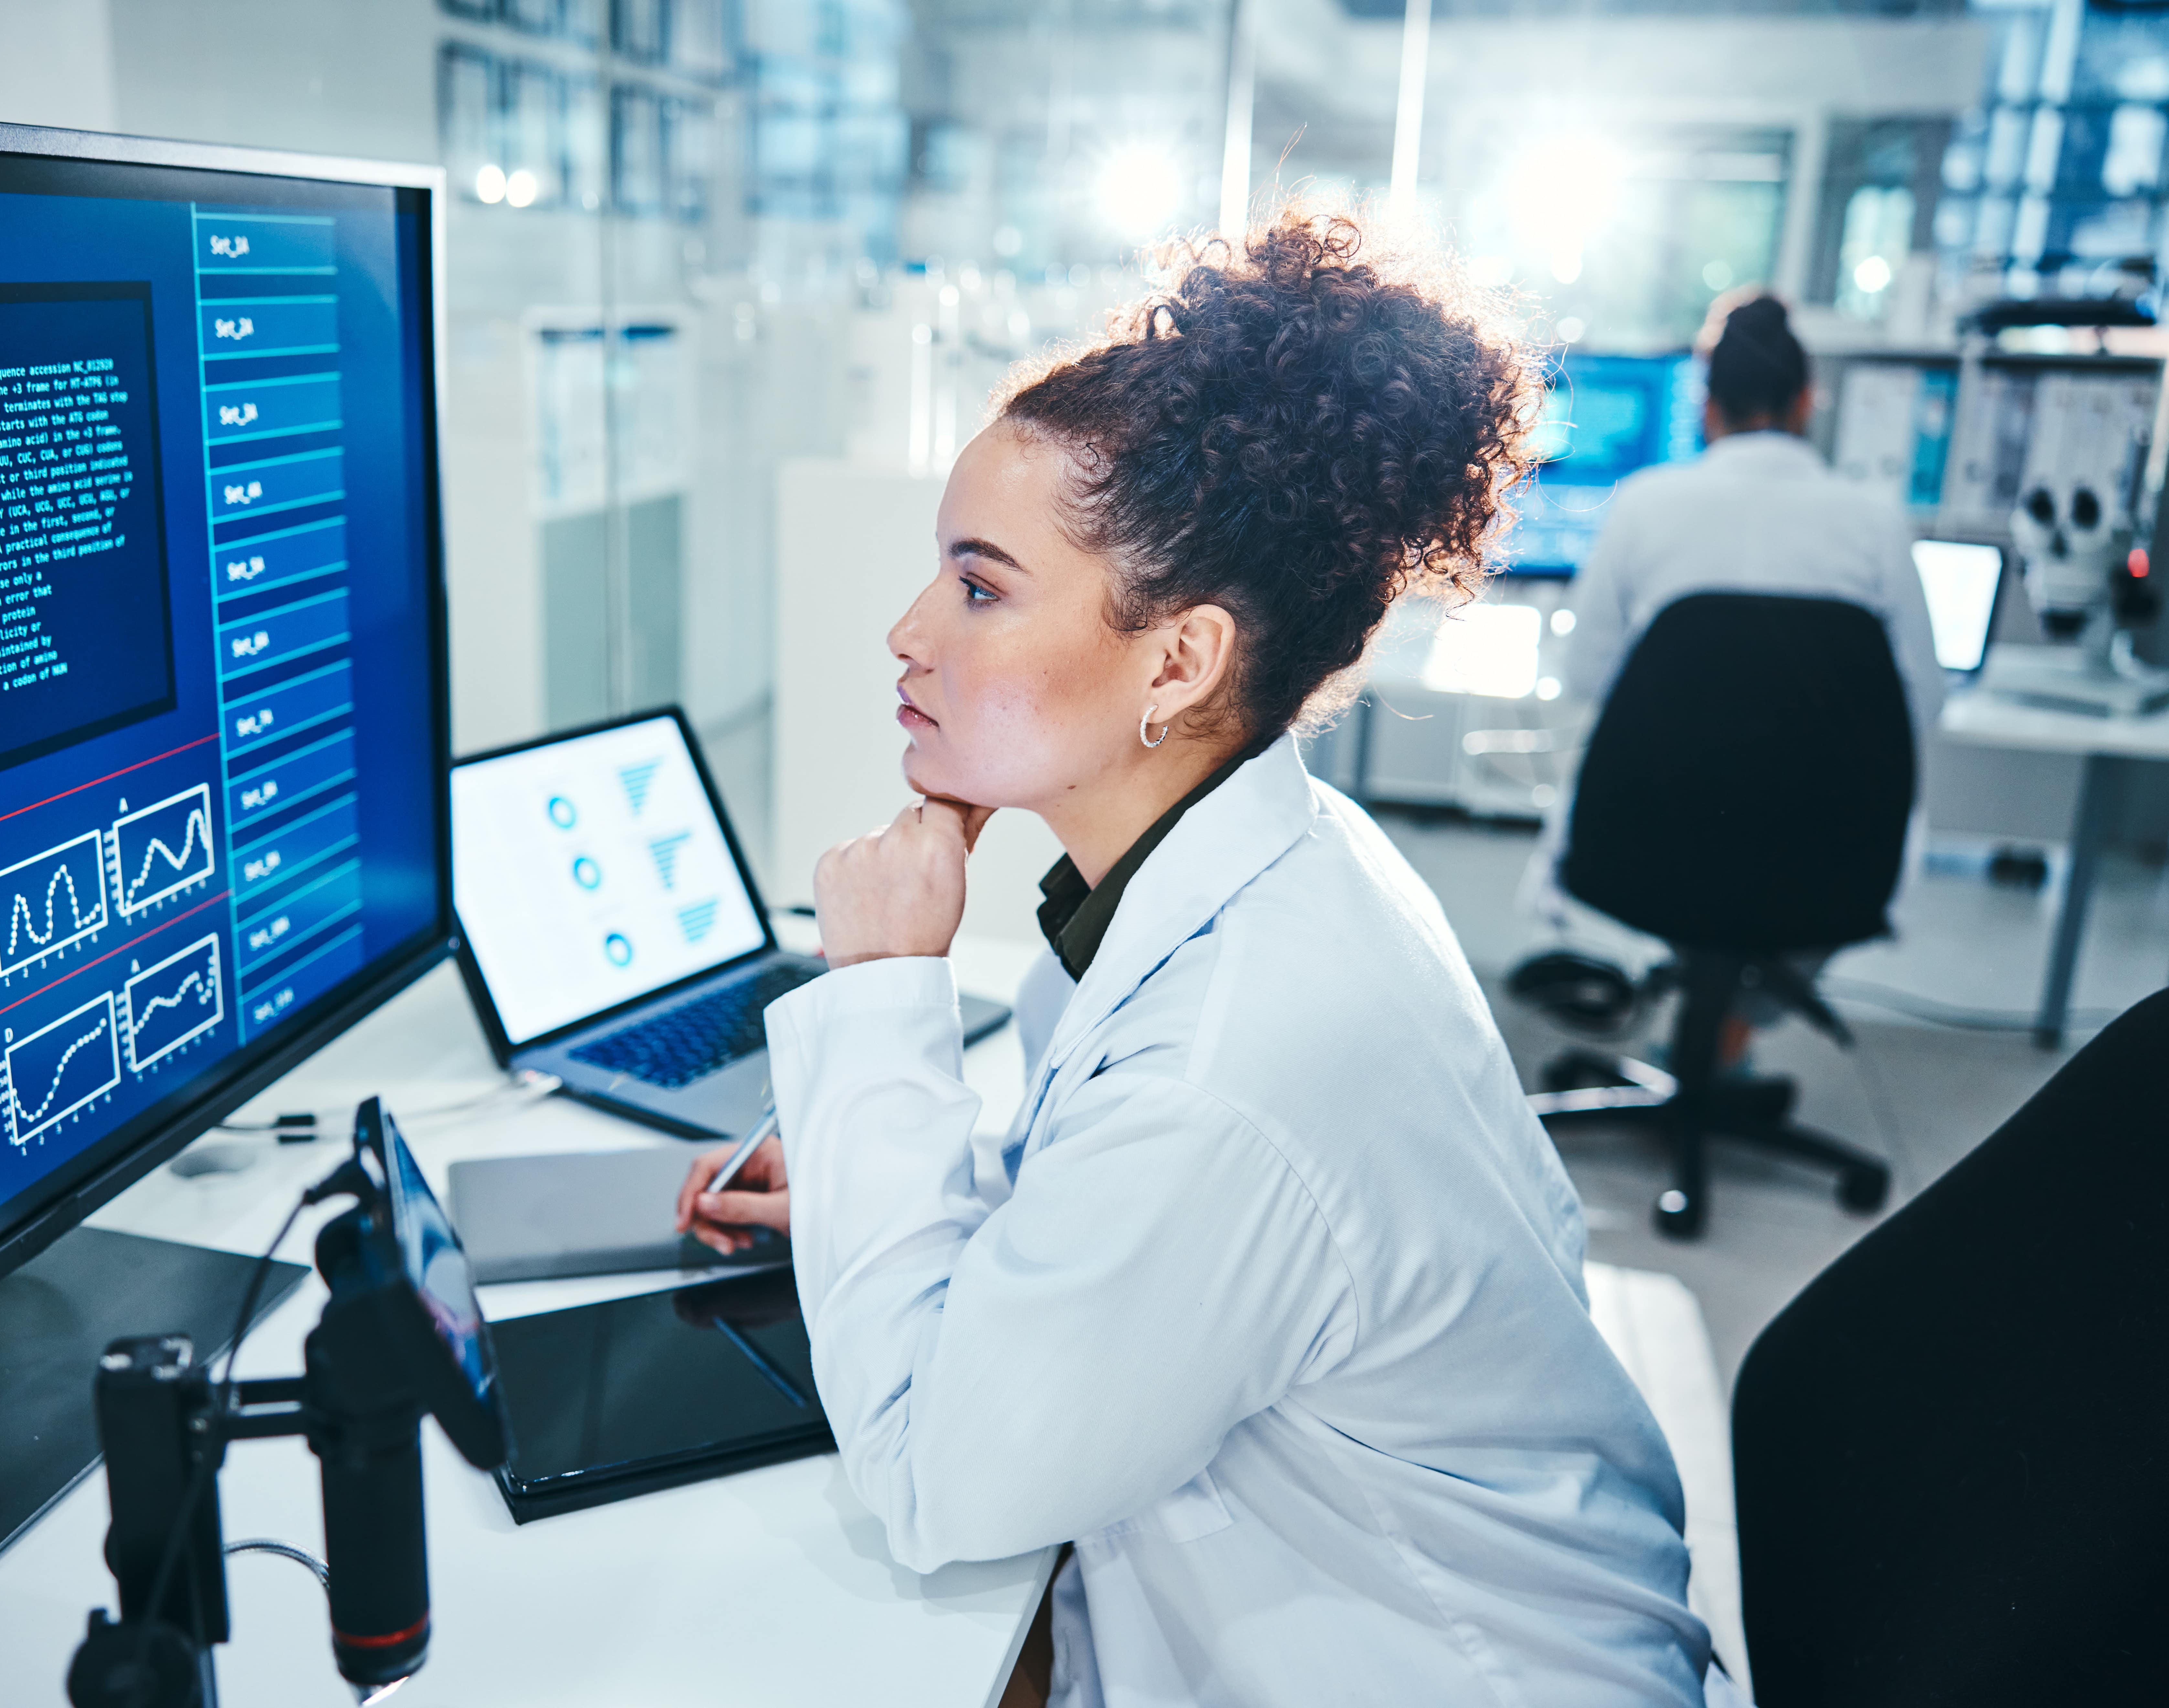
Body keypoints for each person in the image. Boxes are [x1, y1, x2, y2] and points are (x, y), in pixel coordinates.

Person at [678, 206, 1715, 1706]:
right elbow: (1099, 1213)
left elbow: (936, 1485)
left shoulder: (1239, 1053)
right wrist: (861, 1185)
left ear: (1178, 662)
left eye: (977, 586)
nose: (906, 633)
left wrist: (884, 997)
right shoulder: (1282, 863)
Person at [1521, 291, 1943, 1054]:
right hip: (1826, 862)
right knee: (1788, 888)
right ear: (1807, 401)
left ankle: (1702, 1025)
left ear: (1705, 404)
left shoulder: (1645, 506)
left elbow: (1584, 678)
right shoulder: (1874, 521)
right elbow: (1925, 702)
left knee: (1679, 849)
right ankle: (1736, 1027)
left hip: (1647, 851)